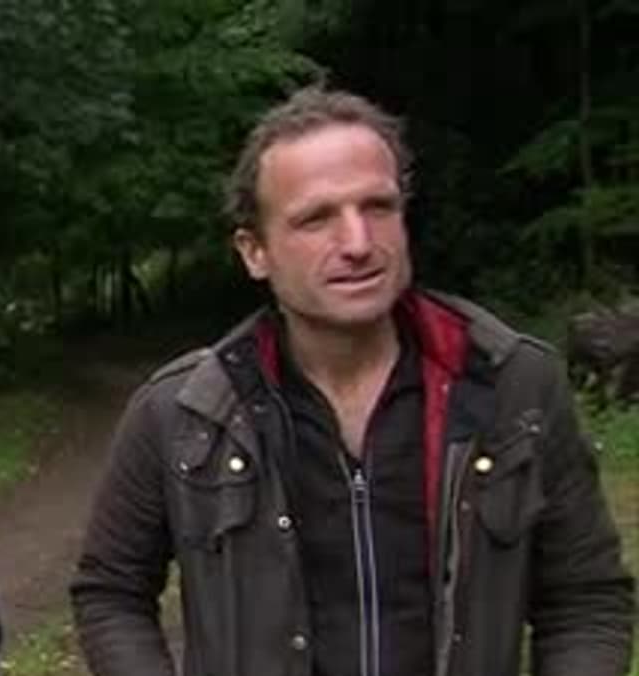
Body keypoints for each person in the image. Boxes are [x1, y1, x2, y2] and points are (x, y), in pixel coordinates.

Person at [69, 86, 634, 676]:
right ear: (255, 251)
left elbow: (585, 600)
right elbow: (111, 593)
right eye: (316, 218)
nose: (359, 243)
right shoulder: (184, 411)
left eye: (378, 207)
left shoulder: (514, 387)